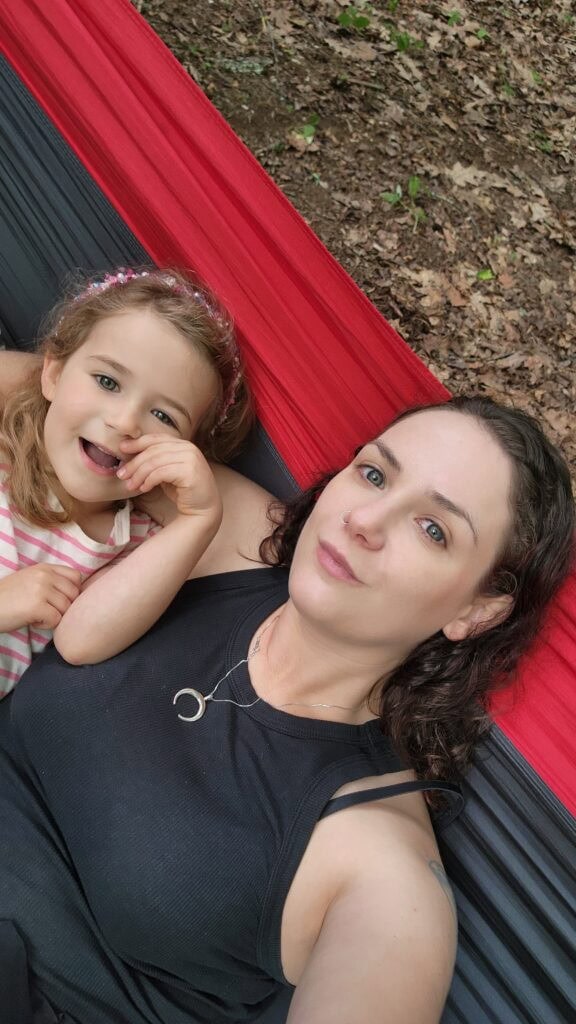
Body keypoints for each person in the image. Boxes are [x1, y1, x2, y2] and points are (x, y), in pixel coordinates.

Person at [0, 394, 573, 1024]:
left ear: (478, 610)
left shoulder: (380, 870)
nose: (366, 520)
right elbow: (52, 394)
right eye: (375, 473)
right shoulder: (228, 531)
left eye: (433, 529)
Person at [0, 267, 253, 691]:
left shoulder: (137, 544)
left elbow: (80, 641)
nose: (125, 422)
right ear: (54, 374)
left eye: (163, 416)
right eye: (107, 381)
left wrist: (198, 519)